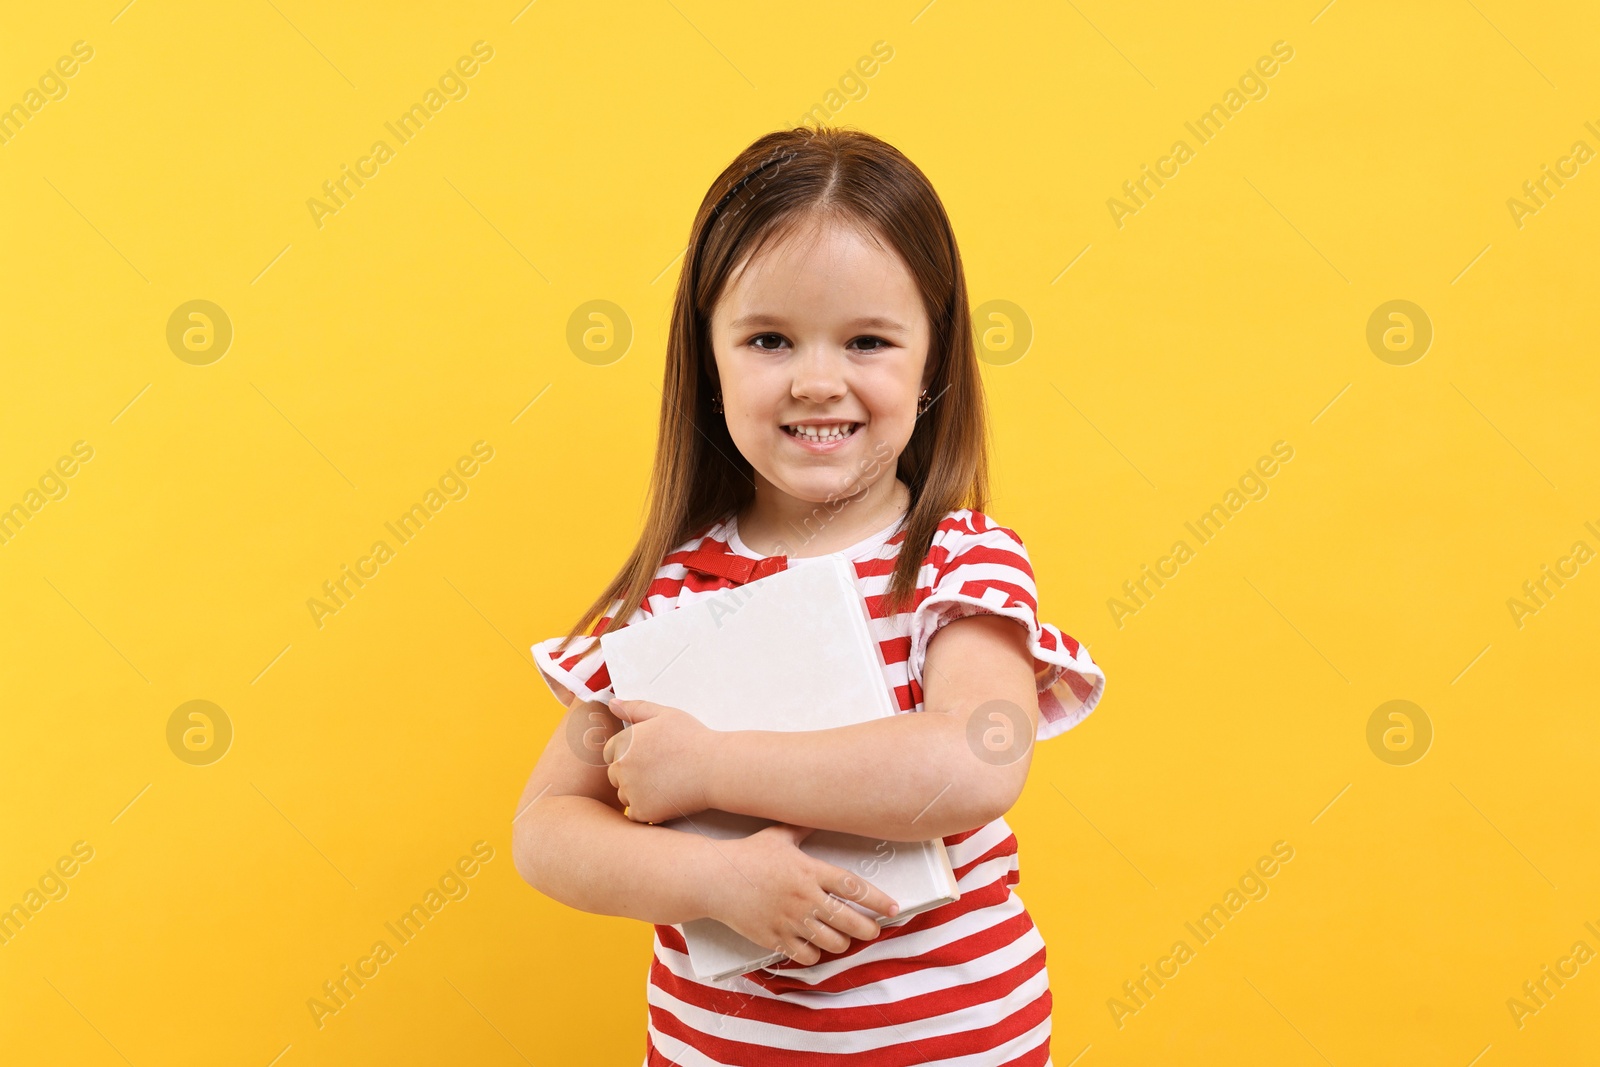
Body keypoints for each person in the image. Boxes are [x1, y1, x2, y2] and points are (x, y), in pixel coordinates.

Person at [512, 124, 1107, 1066]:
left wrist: (711, 768)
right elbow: (546, 831)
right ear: (708, 362)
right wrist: (716, 877)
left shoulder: (956, 563)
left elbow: (977, 758)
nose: (818, 380)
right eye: (769, 339)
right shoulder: (665, 600)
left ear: (931, 362)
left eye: (868, 339)